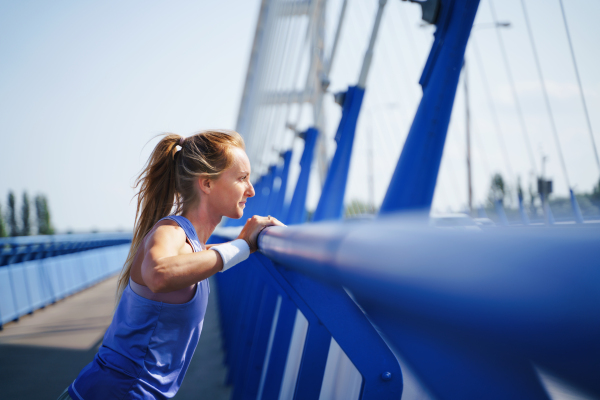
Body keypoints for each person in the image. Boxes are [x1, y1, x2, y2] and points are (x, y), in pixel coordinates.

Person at [58, 130, 284, 400]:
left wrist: (246, 243)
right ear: (207, 184)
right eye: (242, 178)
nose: (251, 190)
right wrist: (243, 245)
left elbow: (201, 256)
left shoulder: (192, 245)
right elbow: (158, 274)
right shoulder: (171, 231)